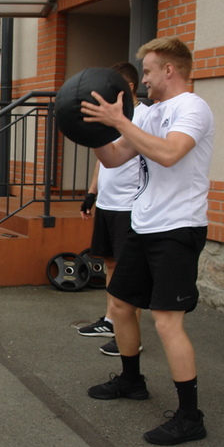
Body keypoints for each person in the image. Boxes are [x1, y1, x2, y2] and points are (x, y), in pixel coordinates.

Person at [80, 37, 215, 446]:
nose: (145, 80)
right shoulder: (150, 113)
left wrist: (121, 122)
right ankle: (131, 380)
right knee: (121, 305)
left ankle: (190, 417)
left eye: (150, 71)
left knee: (167, 321)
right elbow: (114, 157)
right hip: (144, 224)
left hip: (178, 228)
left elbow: (170, 153)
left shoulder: (192, 108)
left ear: (169, 70)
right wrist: (91, 127)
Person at [78, 62, 148, 356]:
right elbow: (105, 158)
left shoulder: (142, 117)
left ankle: (130, 336)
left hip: (129, 206)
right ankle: (111, 321)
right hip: (107, 203)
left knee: (129, 273)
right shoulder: (112, 119)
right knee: (110, 264)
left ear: (127, 88)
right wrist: (91, 193)